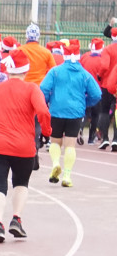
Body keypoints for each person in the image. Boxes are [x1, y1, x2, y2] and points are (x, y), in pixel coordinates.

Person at [0, 49, 52, 242]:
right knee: (21, 183)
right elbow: (43, 111)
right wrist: (46, 132)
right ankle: (16, 219)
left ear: (8, 70)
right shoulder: (32, 89)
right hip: (23, 145)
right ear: (25, 71)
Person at [40, 41, 101, 188]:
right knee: (70, 144)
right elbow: (97, 94)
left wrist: (49, 101)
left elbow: (43, 88)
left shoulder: (55, 71)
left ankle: (55, 164)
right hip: (75, 112)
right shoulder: (85, 74)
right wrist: (85, 103)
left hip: (56, 110)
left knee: (55, 141)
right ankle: (67, 175)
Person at [80, 38, 107, 145]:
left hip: (85, 90)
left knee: (85, 113)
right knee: (96, 114)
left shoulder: (85, 57)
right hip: (98, 91)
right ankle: (91, 138)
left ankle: (80, 128)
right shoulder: (102, 60)